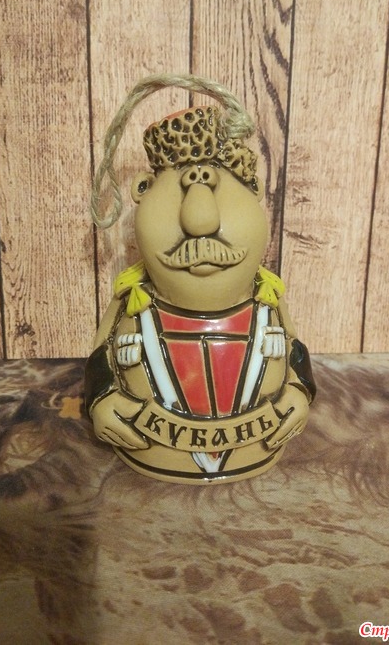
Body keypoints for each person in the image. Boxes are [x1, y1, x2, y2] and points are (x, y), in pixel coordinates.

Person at [86, 105, 315, 483]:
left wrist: (298, 389)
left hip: (257, 450)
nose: (200, 222)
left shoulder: (267, 294)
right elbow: (101, 353)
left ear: (254, 192)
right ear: (142, 190)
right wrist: (102, 398)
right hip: (151, 456)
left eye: (214, 189)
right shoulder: (132, 296)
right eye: (180, 191)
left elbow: (293, 346)